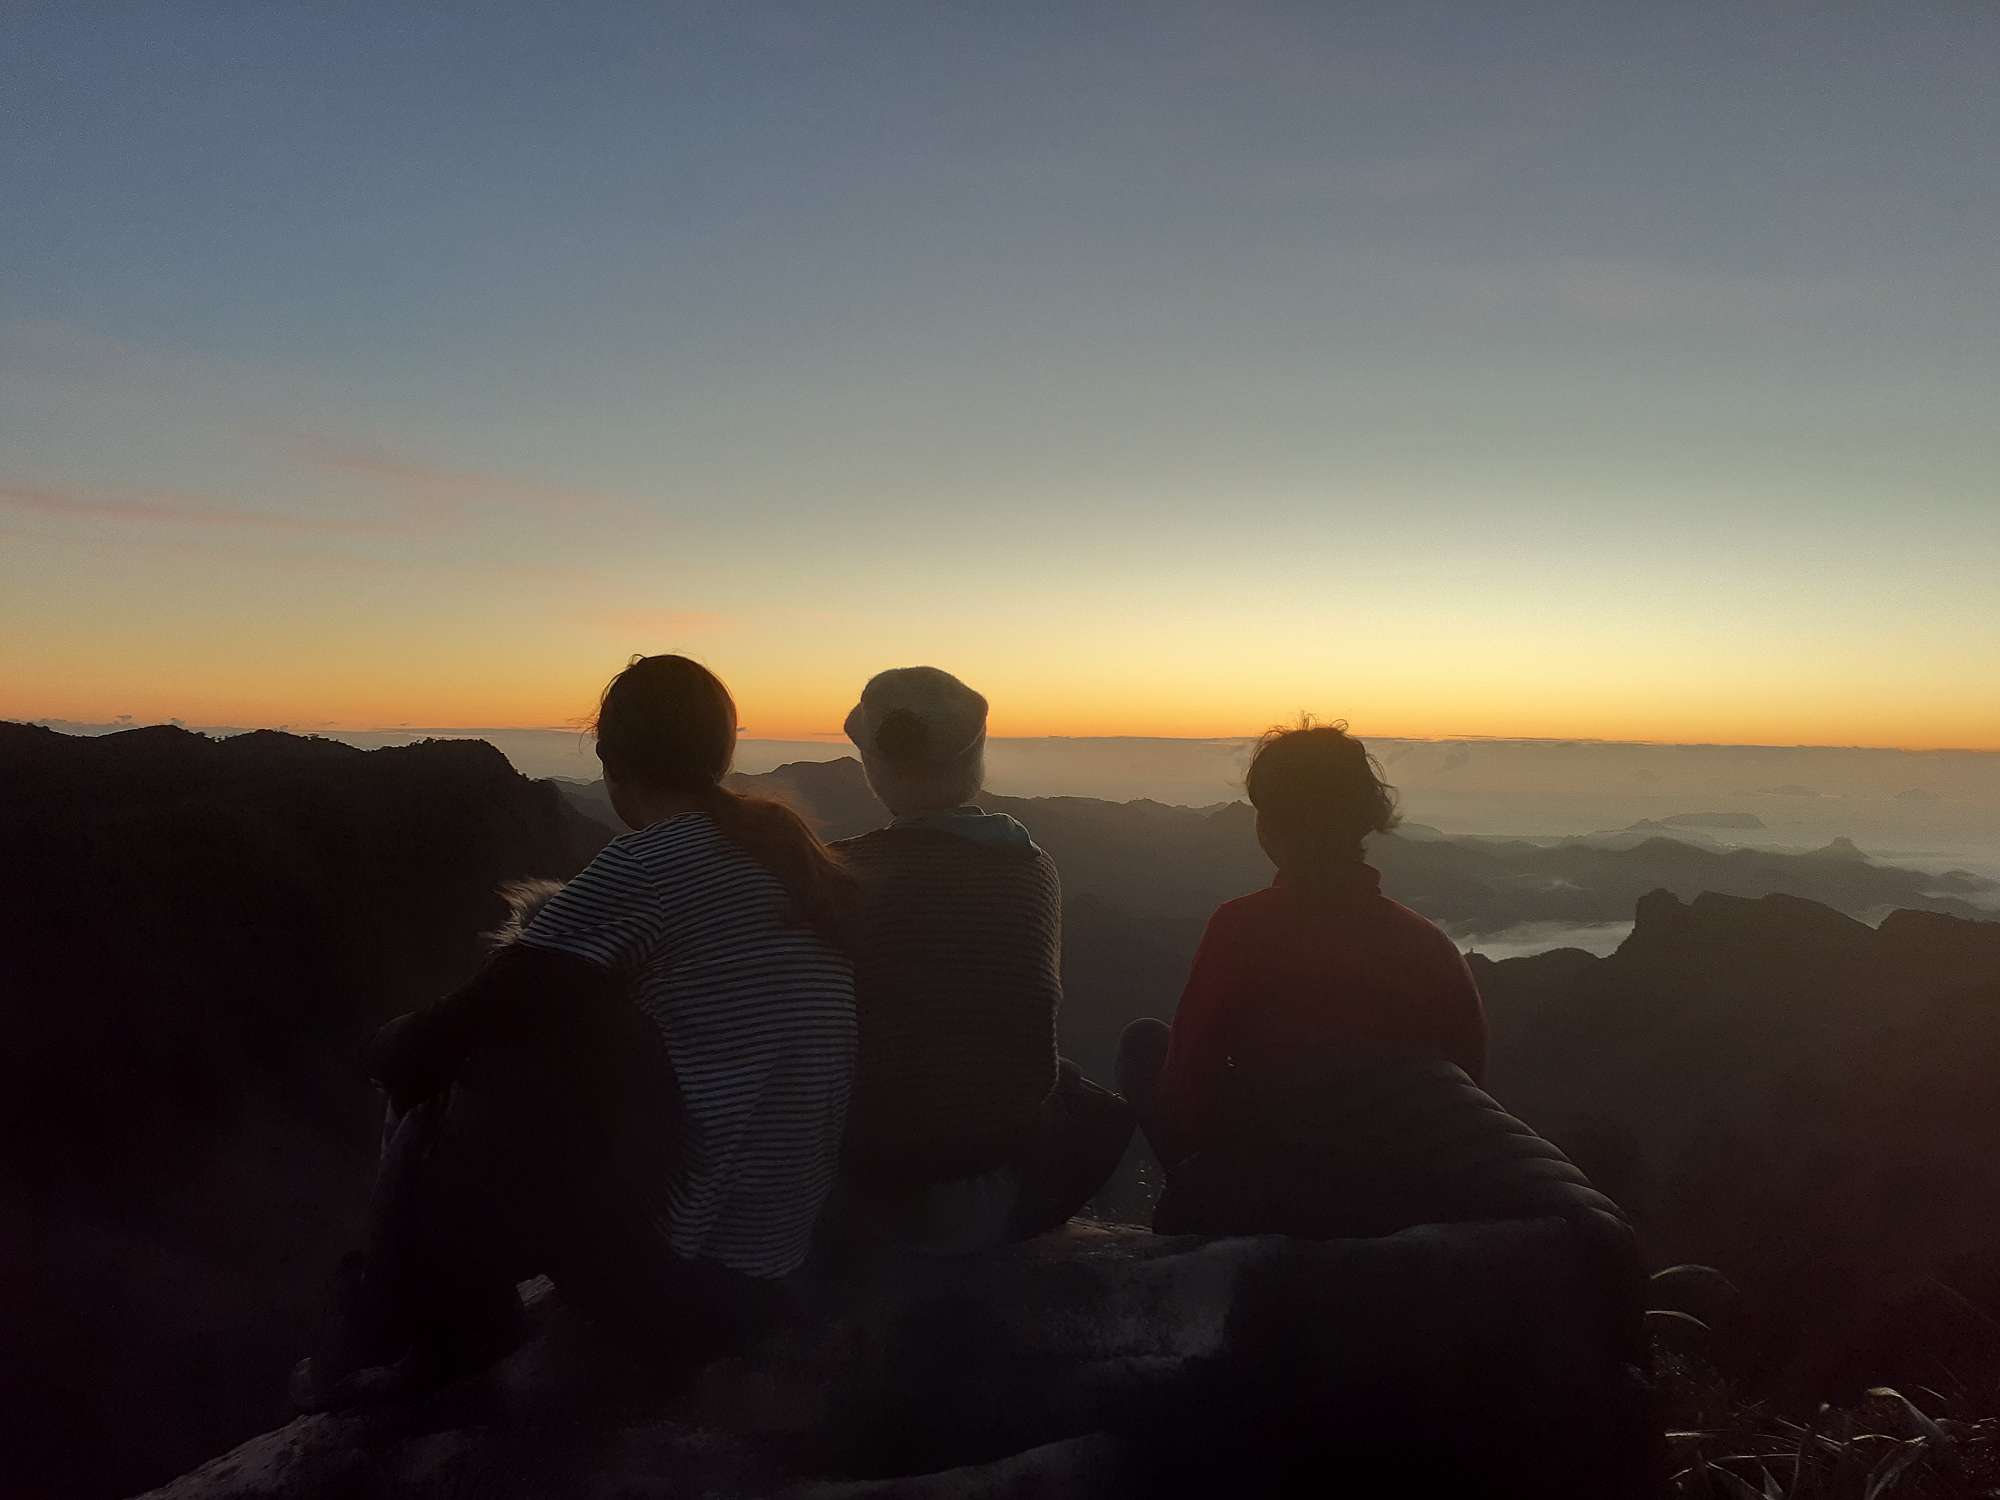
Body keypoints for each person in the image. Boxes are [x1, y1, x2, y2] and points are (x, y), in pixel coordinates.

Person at [294, 655, 857, 1407]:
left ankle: (406, 1332)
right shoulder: (788, 859)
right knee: (538, 1034)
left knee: (472, 1069)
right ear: (721, 756)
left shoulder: (650, 862)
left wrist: (375, 1049)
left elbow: (462, 1022)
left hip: (686, 1285)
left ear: (610, 760)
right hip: (775, 1266)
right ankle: (401, 1319)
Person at [1117, 718, 1494, 1234]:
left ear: (1270, 826)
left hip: (1270, 1191)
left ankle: (1195, 1209)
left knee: (1144, 1044)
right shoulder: (1429, 946)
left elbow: (1187, 1083)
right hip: (1392, 1196)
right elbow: (1468, 1090)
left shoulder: (1242, 927)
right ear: (1364, 820)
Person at [828, 666, 1133, 1253]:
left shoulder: (835, 871)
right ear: (977, 759)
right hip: (997, 1169)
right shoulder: (1030, 867)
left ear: (872, 767)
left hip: (869, 1166)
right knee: (1084, 1093)